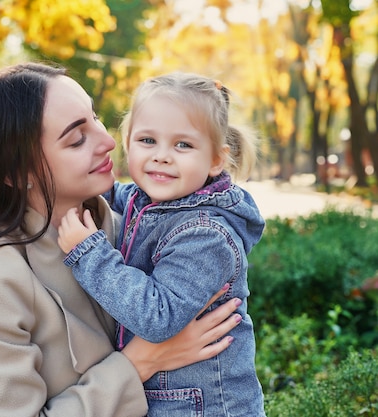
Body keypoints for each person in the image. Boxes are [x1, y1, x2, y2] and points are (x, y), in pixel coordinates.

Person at [0, 63, 244, 417]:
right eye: (77, 138)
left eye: (96, 119)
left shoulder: (118, 226)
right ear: (16, 173)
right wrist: (139, 364)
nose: (109, 142)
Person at [57, 72, 266, 416]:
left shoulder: (205, 234)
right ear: (127, 143)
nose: (162, 156)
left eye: (183, 145)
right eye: (147, 141)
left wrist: (88, 253)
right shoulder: (151, 199)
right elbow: (120, 195)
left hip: (206, 408)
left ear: (216, 159)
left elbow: (159, 317)